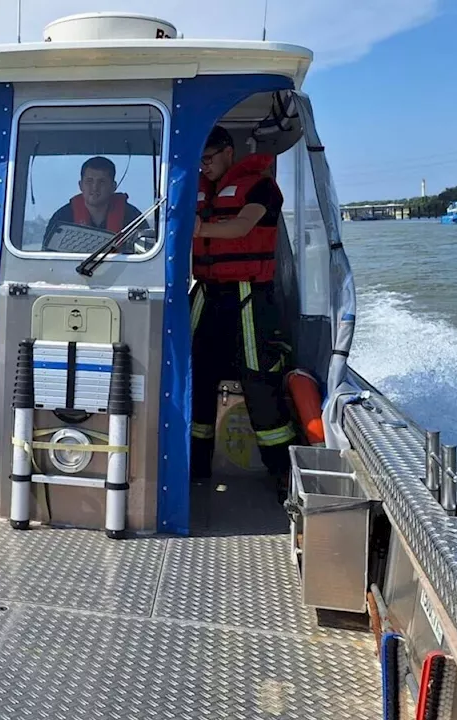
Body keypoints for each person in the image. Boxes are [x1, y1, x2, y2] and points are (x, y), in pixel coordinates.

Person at [190, 125, 298, 498]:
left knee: (258, 383)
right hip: (206, 295)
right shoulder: (197, 191)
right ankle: (194, 465)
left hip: (249, 297)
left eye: (209, 159)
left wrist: (197, 226)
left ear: (228, 153)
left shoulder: (261, 188)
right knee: (194, 377)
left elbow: (241, 226)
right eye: (198, 160)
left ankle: (282, 471)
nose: (203, 167)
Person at [43, 156, 143, 249]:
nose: (95, 187)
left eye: (102, 182)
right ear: (80, 185)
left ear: (113, 187)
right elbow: (47, 259)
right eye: (89, 181)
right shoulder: (62, 218)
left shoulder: (133, 218)